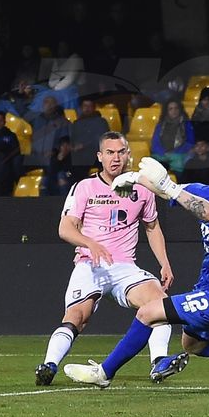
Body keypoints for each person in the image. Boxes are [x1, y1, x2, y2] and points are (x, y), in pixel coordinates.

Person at [63, 154, 209, 397]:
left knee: (148, 313)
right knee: (193, 344)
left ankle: (104, 373)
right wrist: (135, 179)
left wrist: (169, 186)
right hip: (208, 288)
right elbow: (169, 190)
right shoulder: (206, 191)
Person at [35, 131, 177, 386]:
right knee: (77, 316)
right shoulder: (85, 187)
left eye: (121, 152)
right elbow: (65, 229)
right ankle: (49, 366)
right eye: (110, 153)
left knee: (160, 305)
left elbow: (152, 228)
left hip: (124, 267)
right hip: (90, 264)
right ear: (100, 156)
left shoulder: (142, 189)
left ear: (128, 155)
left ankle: (159, 363)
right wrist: (91, 244)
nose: (116, 158)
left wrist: (164, 262)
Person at [70, 97, 110, 181]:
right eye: (85, 106)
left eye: (89, 106)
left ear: (94, 108)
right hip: (79, 155)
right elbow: (72, 139)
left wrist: (83, 145)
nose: (87, 108)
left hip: (95, 155)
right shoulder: (76, 123)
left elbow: (101, 139)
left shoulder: (101, 122)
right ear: (81, 108)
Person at [151, 99, 195, 174]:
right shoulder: (160, 125)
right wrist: (164, 153)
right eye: (170, 109)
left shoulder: (187, 124)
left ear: (180, 109)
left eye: (176, 108)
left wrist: (174, 153)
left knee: (179, 163)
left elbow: (190, 142)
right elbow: (155, 142)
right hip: (161, 155)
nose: (174, 111)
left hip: (179, 155)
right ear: (167, 111)